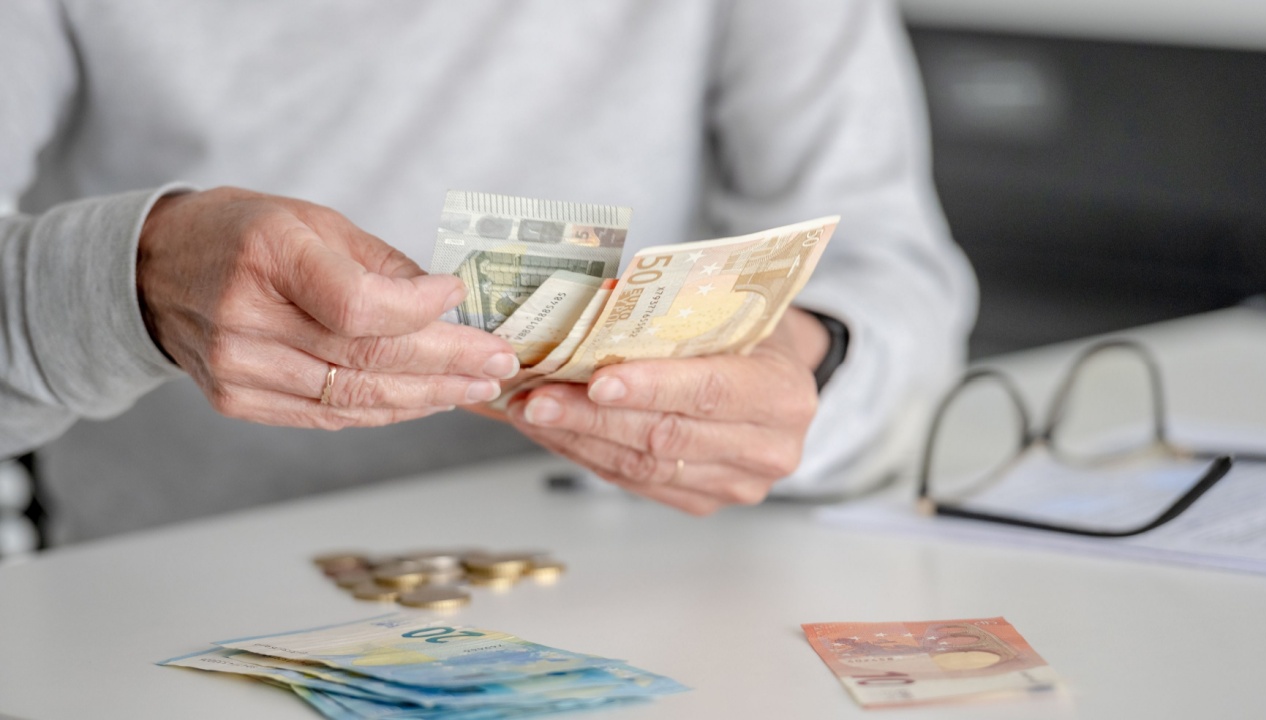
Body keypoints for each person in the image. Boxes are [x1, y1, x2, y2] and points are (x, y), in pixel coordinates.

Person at [0, 0, 975, 539]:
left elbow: (891, 275)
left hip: (647, 594)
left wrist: (808, 366)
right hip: (153, 603)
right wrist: (127, 283)